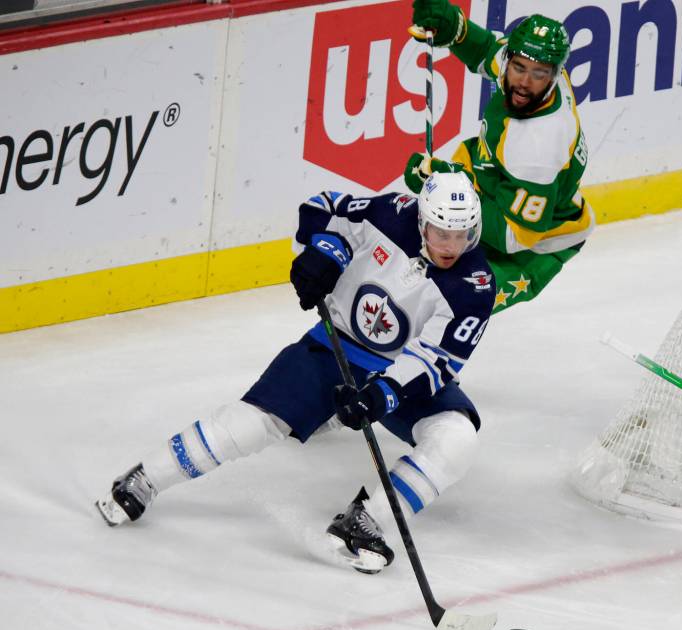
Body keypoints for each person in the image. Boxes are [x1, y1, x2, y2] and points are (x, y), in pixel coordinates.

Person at [96, 172, 495, 574]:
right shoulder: (390, 214)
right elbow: (322, 208)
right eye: (441, 233)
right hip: (335, 347)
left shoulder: (474, 285)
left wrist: (382, 395)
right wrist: (327, 252)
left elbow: (436, 360)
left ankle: (367, 521)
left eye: (461, 235)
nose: (451, 246)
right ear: (422, 221)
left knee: (457, 438)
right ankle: (147, 477)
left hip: (399, 371)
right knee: (250, 426)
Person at [403, 3, 594, 313]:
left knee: (447, 310)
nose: (525, 82)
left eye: (539, 74)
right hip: (494, 188)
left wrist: (445, 182)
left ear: (554, 74)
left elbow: (513, 236)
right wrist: (457, 30)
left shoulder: (539, 147)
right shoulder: (531, 66)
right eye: (519, 67)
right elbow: (487, 50)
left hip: (533, 248)